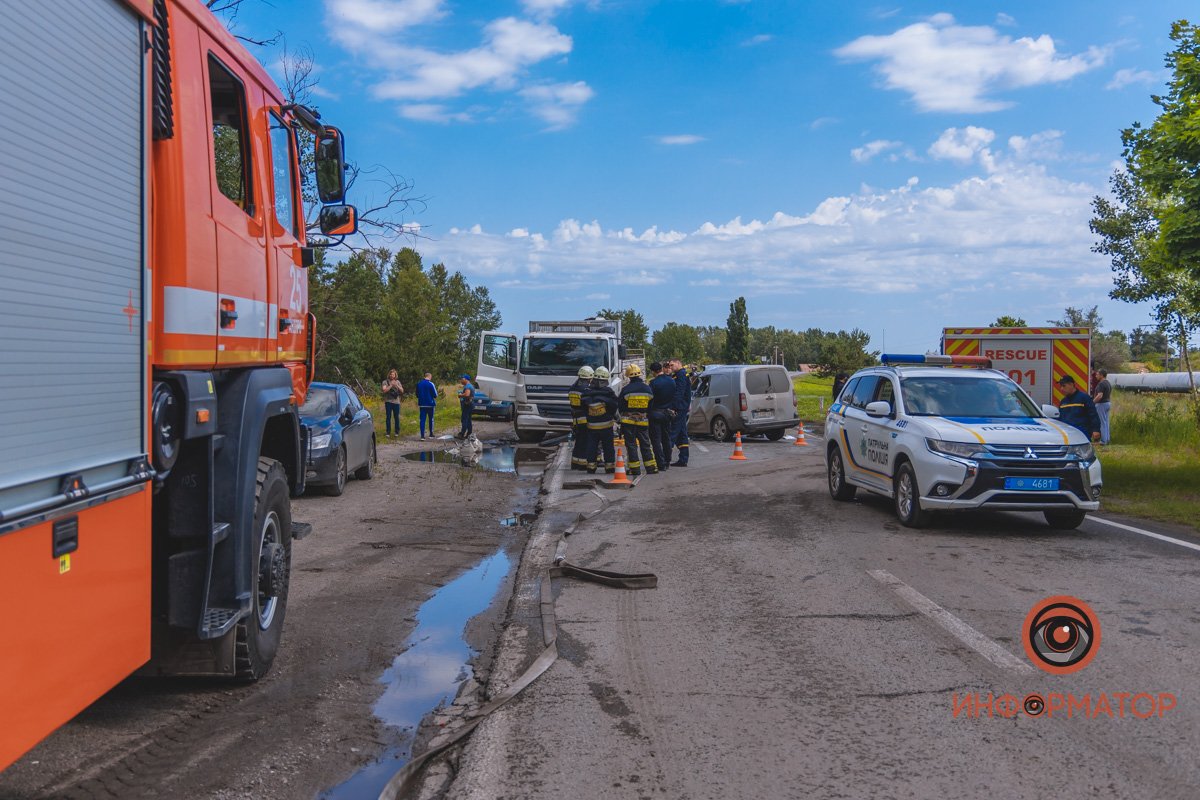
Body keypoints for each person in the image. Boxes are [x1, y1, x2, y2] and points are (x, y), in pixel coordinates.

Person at [618, 363, 657, 476]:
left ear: (628, 376)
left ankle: (635, 469)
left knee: (631, 445)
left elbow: (620, 405)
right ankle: (651, 467)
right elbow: (651, 406)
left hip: (628, 422)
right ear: (640, 374)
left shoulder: (626, 389)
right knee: (645, 444)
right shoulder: (647, 389)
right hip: (643, 421)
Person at [583, 366, 618, 474]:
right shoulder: (609, 393)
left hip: (592, 426)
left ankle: (591, 468)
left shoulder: (587, 393)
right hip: (606, 426)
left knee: (591, 447)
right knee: (608, 447)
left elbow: (583, 407)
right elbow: (614, 406)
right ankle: (609, 467)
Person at [1056, 375, 1101, 442]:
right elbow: (1061, 419)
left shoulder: (1084, 398)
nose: (1061, 389)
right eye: (1061, 386)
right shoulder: (1063, 402)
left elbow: (1093, 415)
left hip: (1083, 434)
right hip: (1067, 435)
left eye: (1064, 386)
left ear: (1071, 385)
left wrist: (1096, 430)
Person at [648, 361, 676, 471]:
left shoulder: (653, 383)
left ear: (653, 371)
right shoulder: (671, 381)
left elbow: (650, 399)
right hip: (668, 412)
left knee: (656, 440)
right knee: (666, 438)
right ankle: (668, 460)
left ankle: (660, 463)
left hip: (655, 413)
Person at [568, 365, 595, 470]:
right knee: (585, 441)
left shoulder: (572, 389)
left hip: (576, 419)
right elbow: (589, 404)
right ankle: (583, 464)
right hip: (584, 418)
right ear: (589, 377)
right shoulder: (586, 390)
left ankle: (575, 463)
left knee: (579, 441)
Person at [669, 358, 692, 466]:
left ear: (678, 363)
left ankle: (665, 459)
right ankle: (683, 459)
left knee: (672, 433)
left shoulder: (681, 374)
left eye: (672, 365)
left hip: (679, 408)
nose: (671, 367)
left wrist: (673, 407)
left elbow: (679, 392)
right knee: (682, 434)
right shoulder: (679, 374)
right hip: (682, 407)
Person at [381, 369, 404, 438]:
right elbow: (384, 390)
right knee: (388, 417)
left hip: (396, 402)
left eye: (393, 374)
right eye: (391, 374)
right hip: (388, 402)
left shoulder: (398, 382)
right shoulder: (385, 382)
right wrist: (391, 385)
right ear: (389, 375)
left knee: (396, 417)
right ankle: (388, 432)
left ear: (395, 375)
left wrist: (396, 385)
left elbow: (402, 391)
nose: (392, 375)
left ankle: (397, 432)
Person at [1092, 368, 1112, 445]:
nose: (1096, 376)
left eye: (1097, 374)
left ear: (1101, 375)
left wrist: (1092, 402)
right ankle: (1107, 439)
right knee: (1106, 422)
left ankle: (1103, 441)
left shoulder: (1101, 384)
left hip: (1101, 404)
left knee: (1102, 423)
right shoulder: (1108, 383)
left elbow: (1100, 395)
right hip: (1107, 403)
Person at [416, 372, 438, 440]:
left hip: (422, 404)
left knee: (422, 420)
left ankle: (422, 436)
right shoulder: (431, 384)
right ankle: (431, 434)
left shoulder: (419, 384)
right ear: (429, 376)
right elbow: (435, 395)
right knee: (431, 419)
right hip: (430, 404)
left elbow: (417, 394)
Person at [456, 374, 475, 439]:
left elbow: (467, 394)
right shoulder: (470, 386)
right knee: (468, 419)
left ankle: (462, 434)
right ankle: (469, 434)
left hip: (467, 404)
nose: (461, 380)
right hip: (470, 404)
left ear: (466, 379)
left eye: (462, 379)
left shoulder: (467, 386)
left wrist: (460, 395)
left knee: (464, 419)